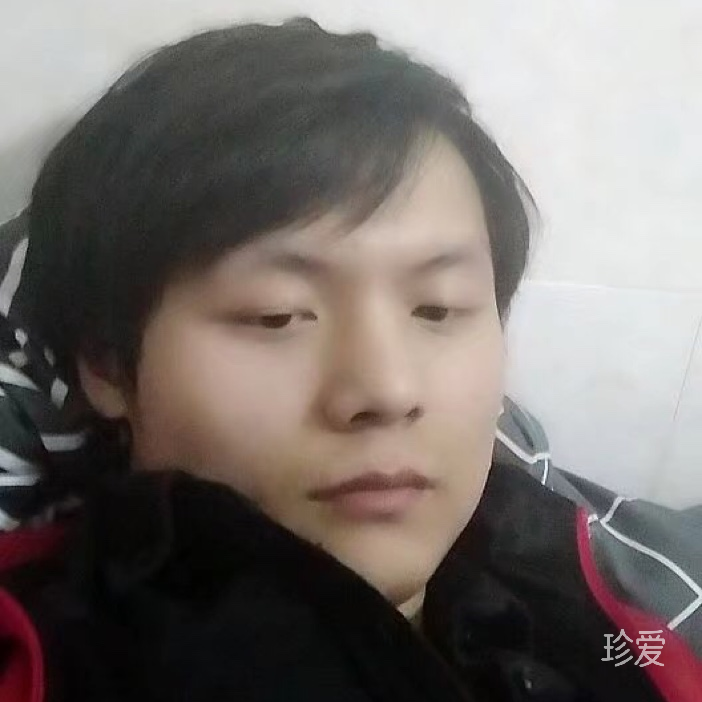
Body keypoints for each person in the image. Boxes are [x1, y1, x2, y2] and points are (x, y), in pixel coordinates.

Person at [0, 17, 679, 702]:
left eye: (437, 308)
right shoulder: (47, 662)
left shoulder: (596, 600)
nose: (388, 388)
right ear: (106, 364)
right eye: (276, 315)